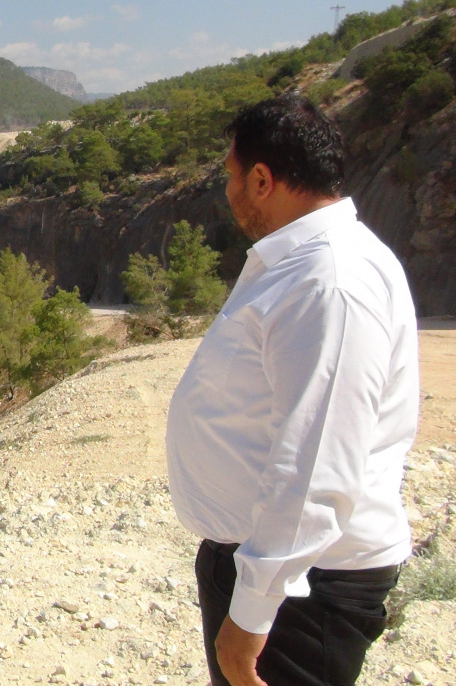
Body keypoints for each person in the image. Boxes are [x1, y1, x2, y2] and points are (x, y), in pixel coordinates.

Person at [165, 94, 419, 686]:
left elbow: (317, 465)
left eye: (231, 177)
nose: (226, 194)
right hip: (279, 573)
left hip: (305, 588)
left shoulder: (330, 280)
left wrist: (252, 614)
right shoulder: (302, 265)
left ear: (261, 179)